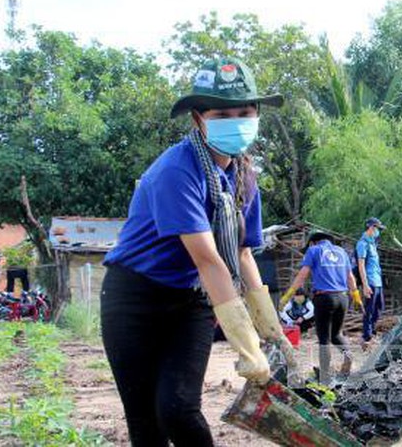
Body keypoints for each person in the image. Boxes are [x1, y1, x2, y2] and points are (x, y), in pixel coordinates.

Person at [101, 57, 298, 446]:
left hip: (191, 301)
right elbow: (209, 259)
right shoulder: (177, 171)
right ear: (198, 119)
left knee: (177, 409)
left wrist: (269, 329)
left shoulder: (244, 176)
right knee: (146, 423)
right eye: (222, 113)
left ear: (257, 114)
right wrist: (244, 342)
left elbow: (242, 254)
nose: (236, 120)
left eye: (244, 111)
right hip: (133, 299)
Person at [281, 230, 363, 384]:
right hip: (343, 298)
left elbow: (302, 275)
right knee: (336, 335)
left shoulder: (314, 250)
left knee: (324, 339)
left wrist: (288, 295)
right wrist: (356, 296)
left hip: (324, 298)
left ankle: (324, 378)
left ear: (313, 242)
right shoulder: (342, 252)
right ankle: (348, 355)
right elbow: (350, 277)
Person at [357, 217, 386, 346]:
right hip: (370, 281)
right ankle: (366, 336)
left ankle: (372, 332)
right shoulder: (362, 243)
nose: (378, 231)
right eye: (378, 228)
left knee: (379, 308)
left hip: (378, 280)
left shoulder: (373, 244)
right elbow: (361, 265)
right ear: (371, 227)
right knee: (369, 309)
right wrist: (365, 284)